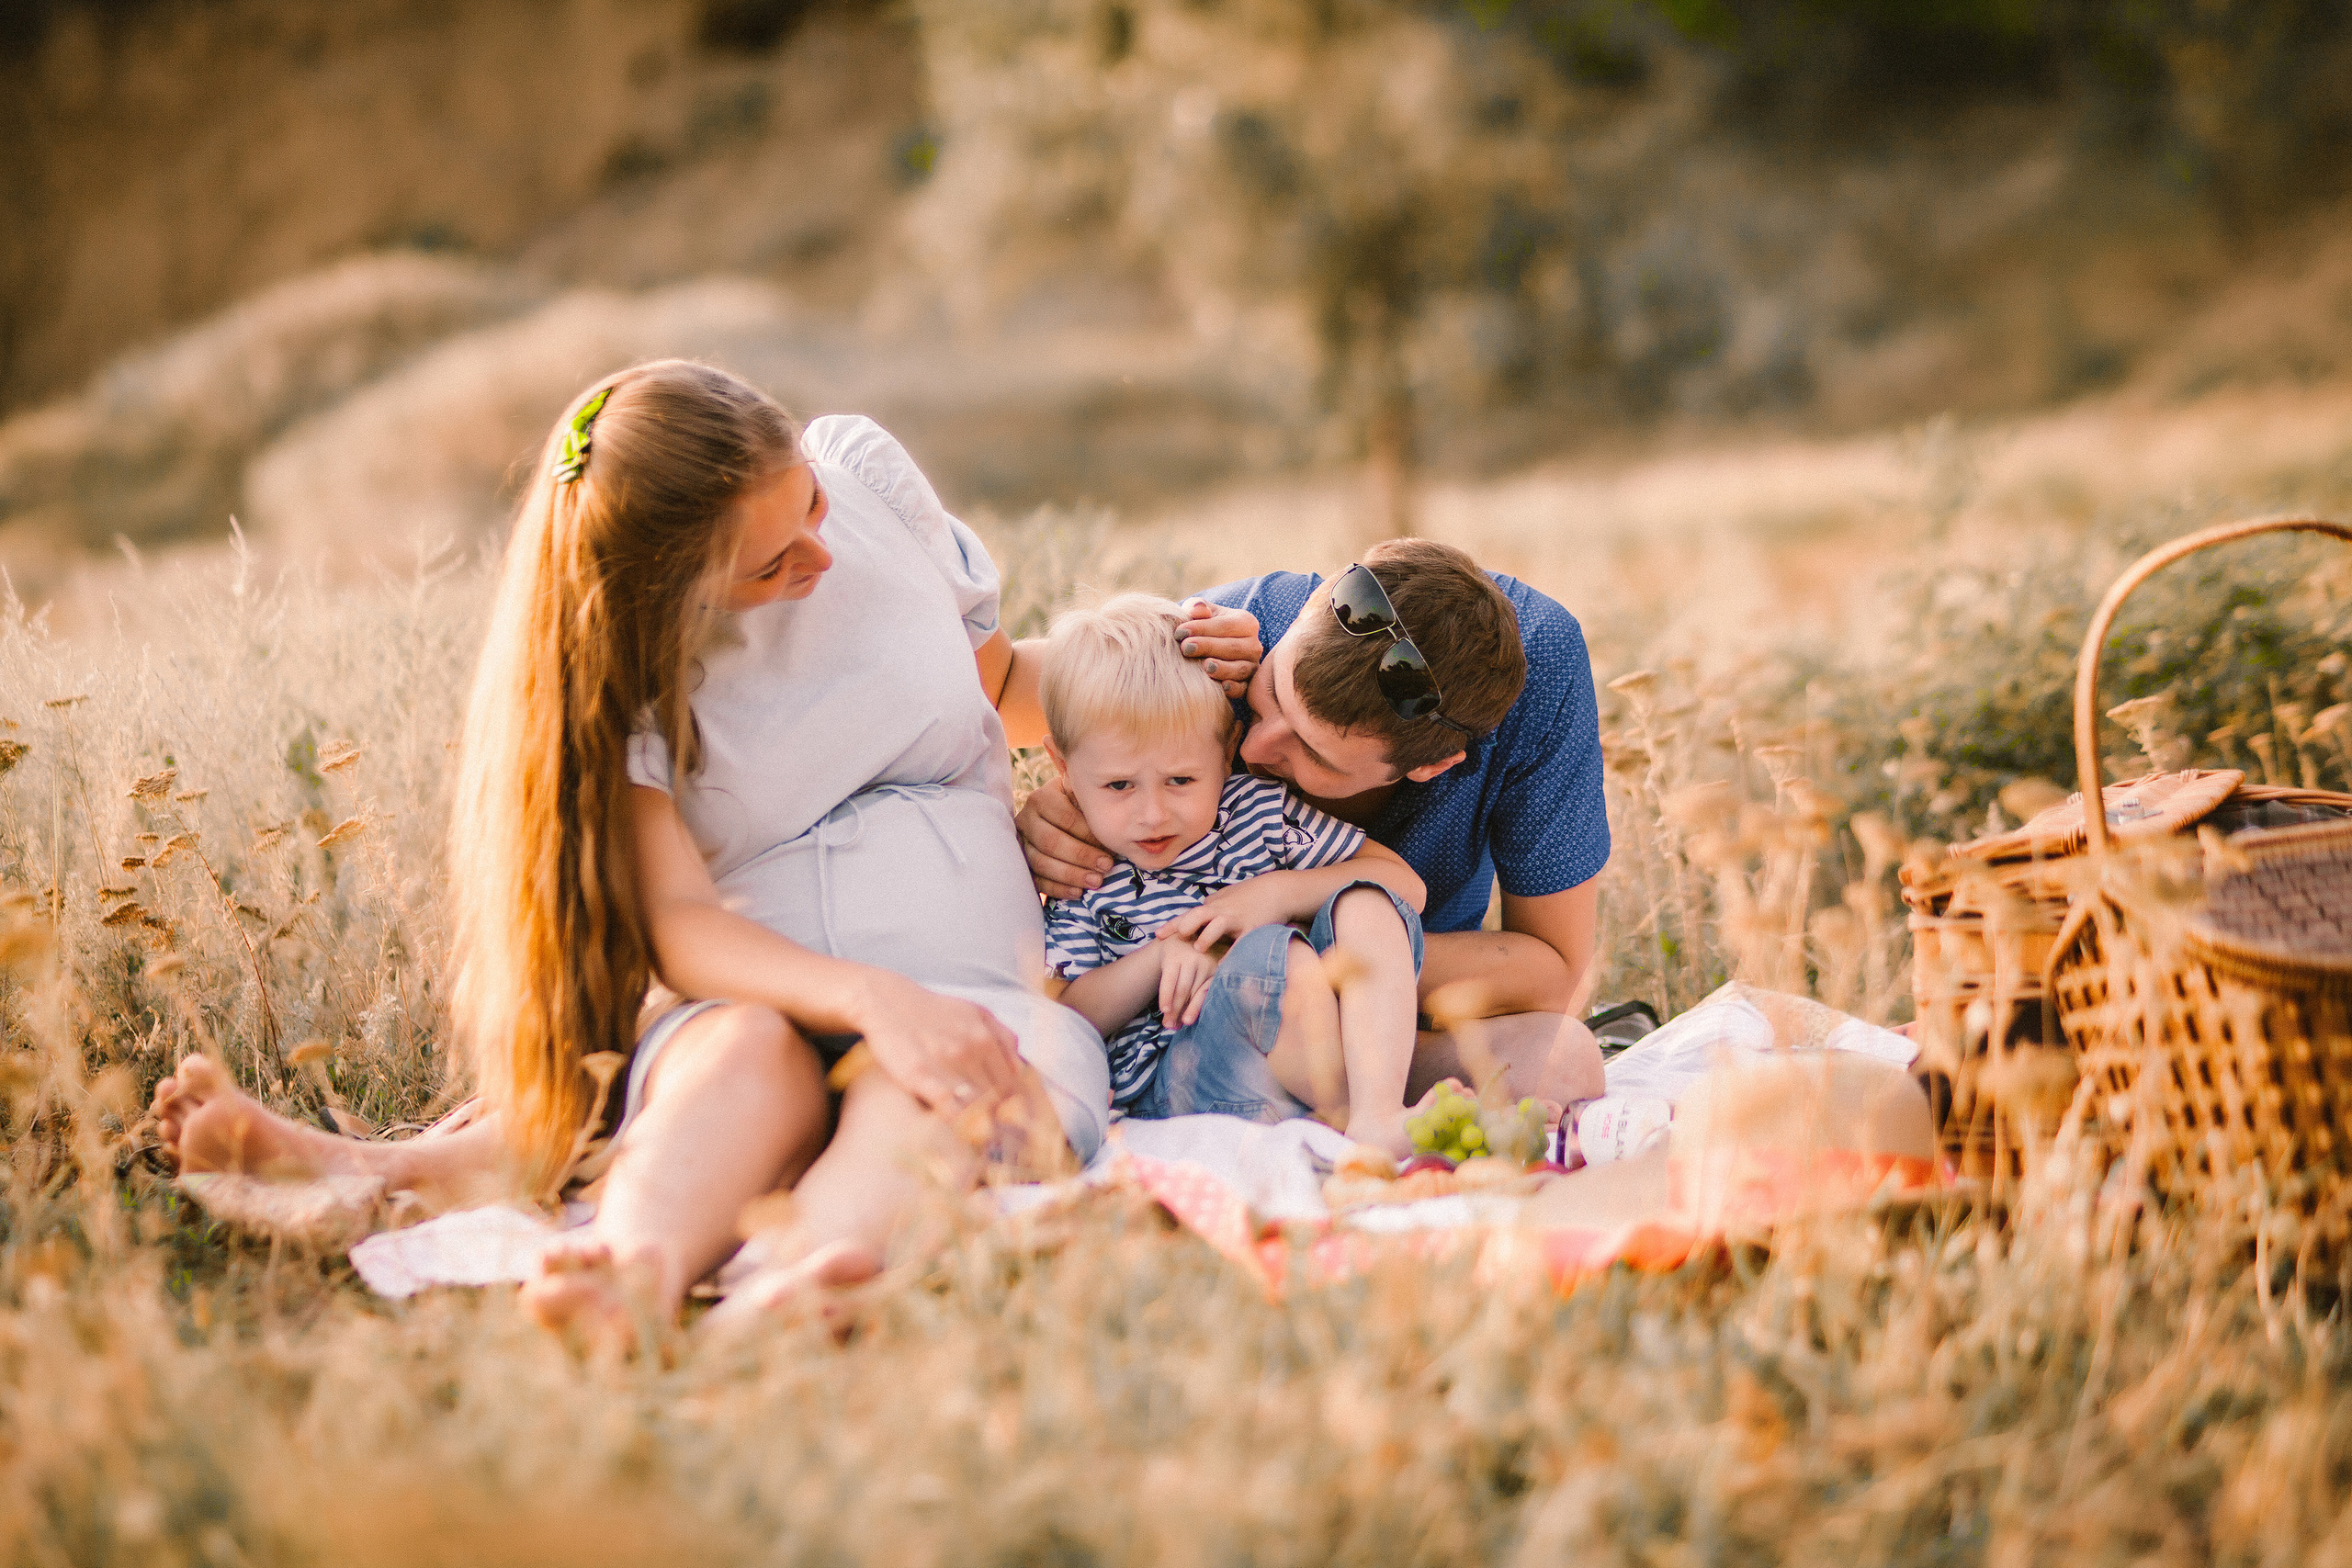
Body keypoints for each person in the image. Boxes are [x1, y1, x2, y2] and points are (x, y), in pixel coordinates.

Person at [152, 360, 1151, 1345]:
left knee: (944, 1082)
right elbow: (680, 922)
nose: (821, 553)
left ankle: (786, 1289)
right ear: (672, 591)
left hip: (968, 989)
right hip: (759, 996)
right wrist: (864, 998)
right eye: (768, 565)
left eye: (807, 502)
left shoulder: (867, 482)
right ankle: (630, 1273)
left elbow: (1007, 682)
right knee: (743, 1055)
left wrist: (1163, 654)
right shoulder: (623, 667)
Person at [1018, 537, 1611, 1110]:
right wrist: (1040, 811)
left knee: (1565, 1062)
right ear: (1306, 608)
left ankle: (1370, 1112)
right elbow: (1024, 688)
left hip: (1387, 1023)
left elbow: (1552, 975)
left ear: (1431, 767)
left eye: (1316, 754)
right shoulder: (1219, 641)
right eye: (1270, 689)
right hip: (1196, 1046)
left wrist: (1273, 936)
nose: (1251, 746)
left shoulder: (1543, 674)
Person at [1035, 593, 1430, 1152]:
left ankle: (1377, 1114)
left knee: (1363, 900)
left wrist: (1274, 892)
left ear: (1225, 753)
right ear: (1063, 769)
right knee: (1273, 957)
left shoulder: (1256, 812)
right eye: (1119, 785)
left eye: (1181, 781)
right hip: (1184, 1083)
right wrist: (1165, 957)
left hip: (1303, 1060)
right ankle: (1353, 1119)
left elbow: (1404, 888)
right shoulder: (1083, 866)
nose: (1152, 814)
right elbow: (1064, 1016)